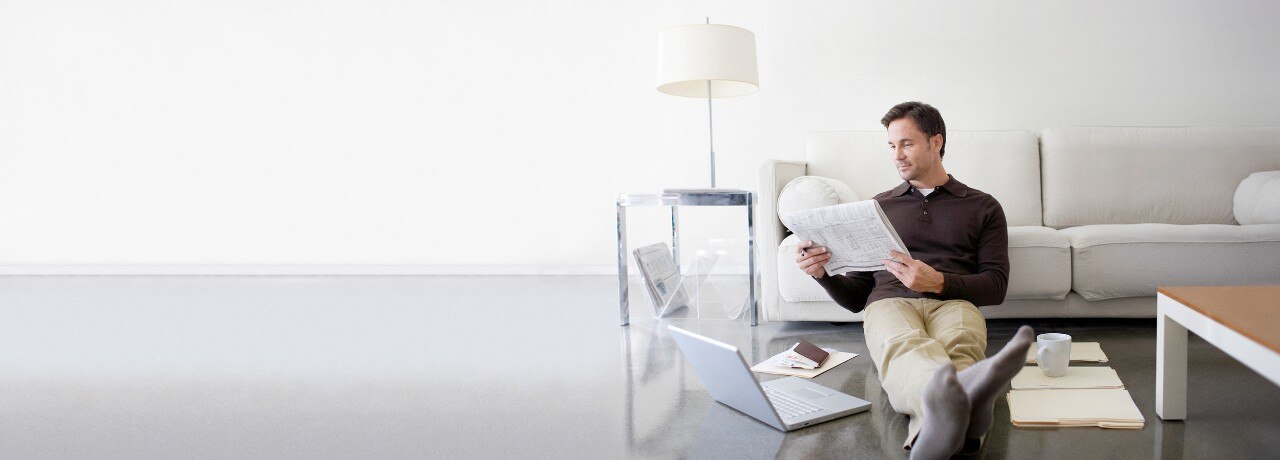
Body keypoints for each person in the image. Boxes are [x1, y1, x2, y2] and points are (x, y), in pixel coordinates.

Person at [794, 101, 1033, 459]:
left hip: (954, 301)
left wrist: (938, 282)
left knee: (961, 343)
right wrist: (822, 275)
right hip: (890, 301)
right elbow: (857, 297)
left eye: (906, 144)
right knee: (904, 345)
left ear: (936, 142)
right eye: (892, 146)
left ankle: (934, 430)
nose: (897, 155)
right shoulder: (878, 207)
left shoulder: (982, 206)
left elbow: (996, 286)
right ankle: (971, 415)